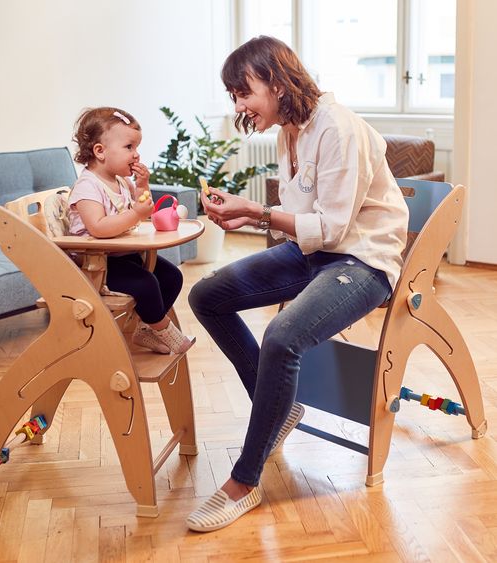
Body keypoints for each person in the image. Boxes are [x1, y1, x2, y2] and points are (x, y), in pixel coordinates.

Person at [186, 36, 409, 532]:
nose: (240, 106)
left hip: (363, 262)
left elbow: (330, 228)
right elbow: (304, 221)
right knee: (206, 296)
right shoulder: (291, 131)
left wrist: (255, 211)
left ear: (275, 80)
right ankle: (280, 413)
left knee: (282, 337)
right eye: (234, 97)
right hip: (315, 254)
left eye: (243, 92)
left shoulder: (339, 128)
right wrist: (250, 217)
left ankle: (245, 481)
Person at [68, 107, 194, 355]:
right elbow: (98, 228)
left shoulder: (121, 182)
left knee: (171, 277)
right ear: (100, 151)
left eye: (136, 148)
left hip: (122, 254)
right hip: (98, 264)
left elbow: (140, 207)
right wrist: (136, 214)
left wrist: (142, 185)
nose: (136, 155)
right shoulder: (87, 187)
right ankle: (164, 329)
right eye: (129, 147)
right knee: (145, 284)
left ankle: (144, 331)